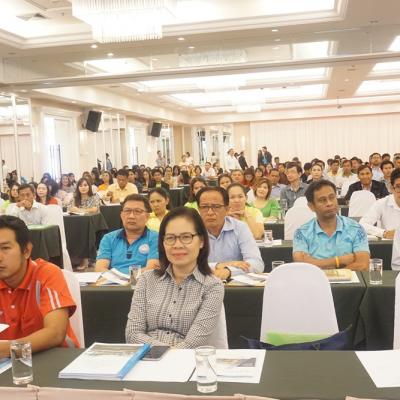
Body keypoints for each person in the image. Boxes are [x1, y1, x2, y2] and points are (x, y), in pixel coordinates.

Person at [125, 207, 224, 348]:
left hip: (186, 359)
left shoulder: (212, 286)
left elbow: (193, 343)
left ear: (201, 241)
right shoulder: (146, 279)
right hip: (145, 357)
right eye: (170, 238)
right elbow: (133, 333)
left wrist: (165, 353)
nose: (177, 245)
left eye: (186, 237)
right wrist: (162, 351)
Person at [0, 215, 79, 357]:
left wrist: (8, 349)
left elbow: (55, 333)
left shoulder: (46, 274)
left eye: (5, 248)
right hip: (8, 363)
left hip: (53, 359)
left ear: (26, 251)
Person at [293, 180, 370, 271]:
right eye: (322, 200)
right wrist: (339, 260)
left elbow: (362, 265)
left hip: (349, 281)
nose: (329, 203)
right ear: (311, 206)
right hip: (315, 280)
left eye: (332, 197)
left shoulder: (355, 228)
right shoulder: (302, 233)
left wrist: (315, 263)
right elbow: (302, 266)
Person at [196, 187, 263, 280]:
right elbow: (185, 265)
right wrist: (219, 265)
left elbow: (257, 263)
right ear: (198, 209)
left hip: (232, 284)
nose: (210, 212)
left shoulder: (240, 228)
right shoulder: (192, 229)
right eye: (204, 207)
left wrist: (229, 271)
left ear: (227, 209)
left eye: (216, 207)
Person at [95, 194, 159, 274]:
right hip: (113, 281)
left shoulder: (156, 238)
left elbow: (151, 269)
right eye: (127, 211)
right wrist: (118, 279)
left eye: (137, 211)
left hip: (143, 281)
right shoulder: (108, 238)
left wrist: (127, 278)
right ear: (121, 215)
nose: (131, 216)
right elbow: (100, 268)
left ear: (147, 216)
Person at [360, 168, 400, 239]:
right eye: (398, 187)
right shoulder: (382, 203)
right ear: (391, 188)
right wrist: (384, 233)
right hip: (390, 244)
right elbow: (363, 224)